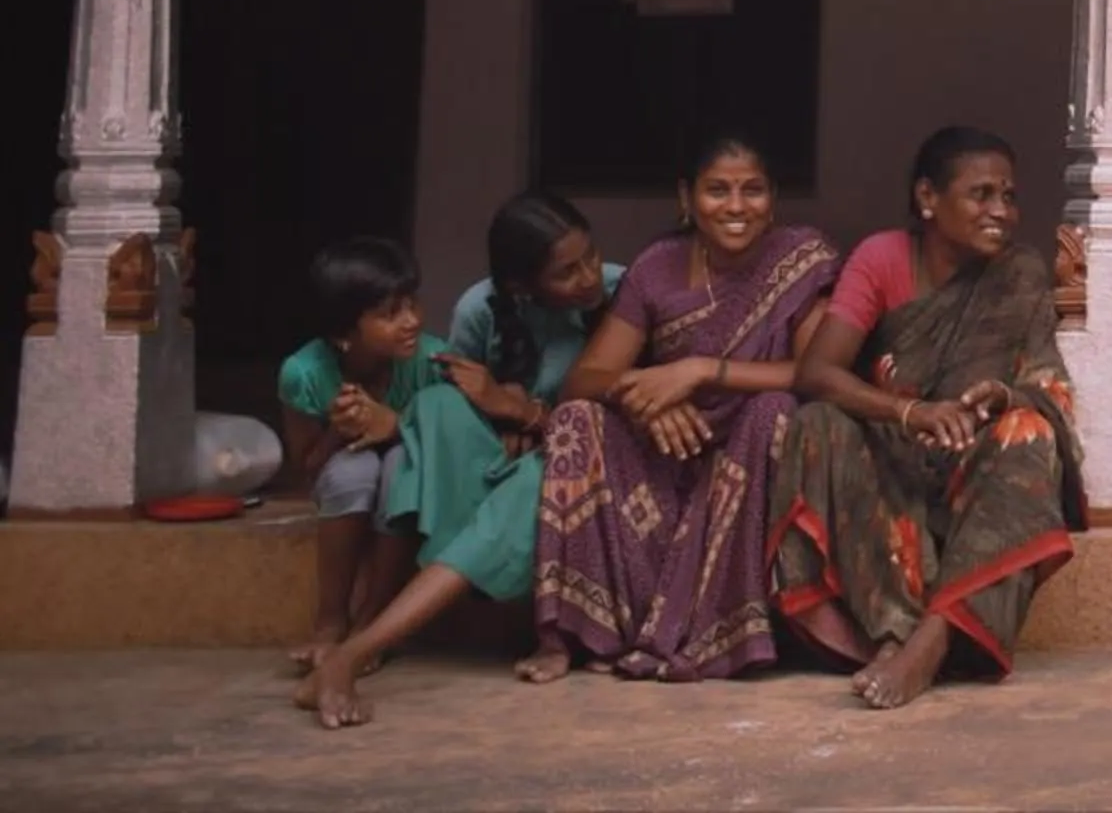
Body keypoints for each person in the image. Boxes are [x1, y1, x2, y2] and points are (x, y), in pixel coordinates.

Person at [771, 126, 1083, 709]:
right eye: (981, 194)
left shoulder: (1020, 272)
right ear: (927, 198)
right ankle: (891, 631)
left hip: (973, 463)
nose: (1001, 211)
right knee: (818, 424)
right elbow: (816, 372)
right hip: (894, 453)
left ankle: (930, 641)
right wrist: (909, 412)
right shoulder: (882, 257)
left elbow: (1049, 386)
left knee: (1030, 432)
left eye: (1008, 196)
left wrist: (1002, 396)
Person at [295, 195, 623, 728]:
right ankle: (464, 561)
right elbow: (466, 407)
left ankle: (353, 651)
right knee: (436, 404)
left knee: (537, 479)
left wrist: (524, 413)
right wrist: (498, 417)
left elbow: (616, 417)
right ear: (522, 285)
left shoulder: (623, 292)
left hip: (578, 469)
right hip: (494, 463)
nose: (589, 277)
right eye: (566, 272)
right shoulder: (482, 307)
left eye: (591, 256)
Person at [525, 135, 838, 683]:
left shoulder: (801, 260)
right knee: (576, 420)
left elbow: (815, 372)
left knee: (775, 410)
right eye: (718, 190)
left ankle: (730, 632)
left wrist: (699, 371)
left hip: (752, 453)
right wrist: (645, 398)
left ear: (772, 199)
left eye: (752, 190)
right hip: (669, 455)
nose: (736, 206)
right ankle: (576, 634)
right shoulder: (657, 268)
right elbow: (582, 380)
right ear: (686, 198)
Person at [277, 237, 443, 680]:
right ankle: (331, 620)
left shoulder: (431, 362)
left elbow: (446, 446)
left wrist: (396, 426)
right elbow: (307, 466)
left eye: (411, 304)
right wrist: (338, 430)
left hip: (409, 477)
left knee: (398, 465)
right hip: (343, 475)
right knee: (354, 469)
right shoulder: (304, 373)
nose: (411, 321)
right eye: (391, 314)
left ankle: (372, 619)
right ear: (343, 334)